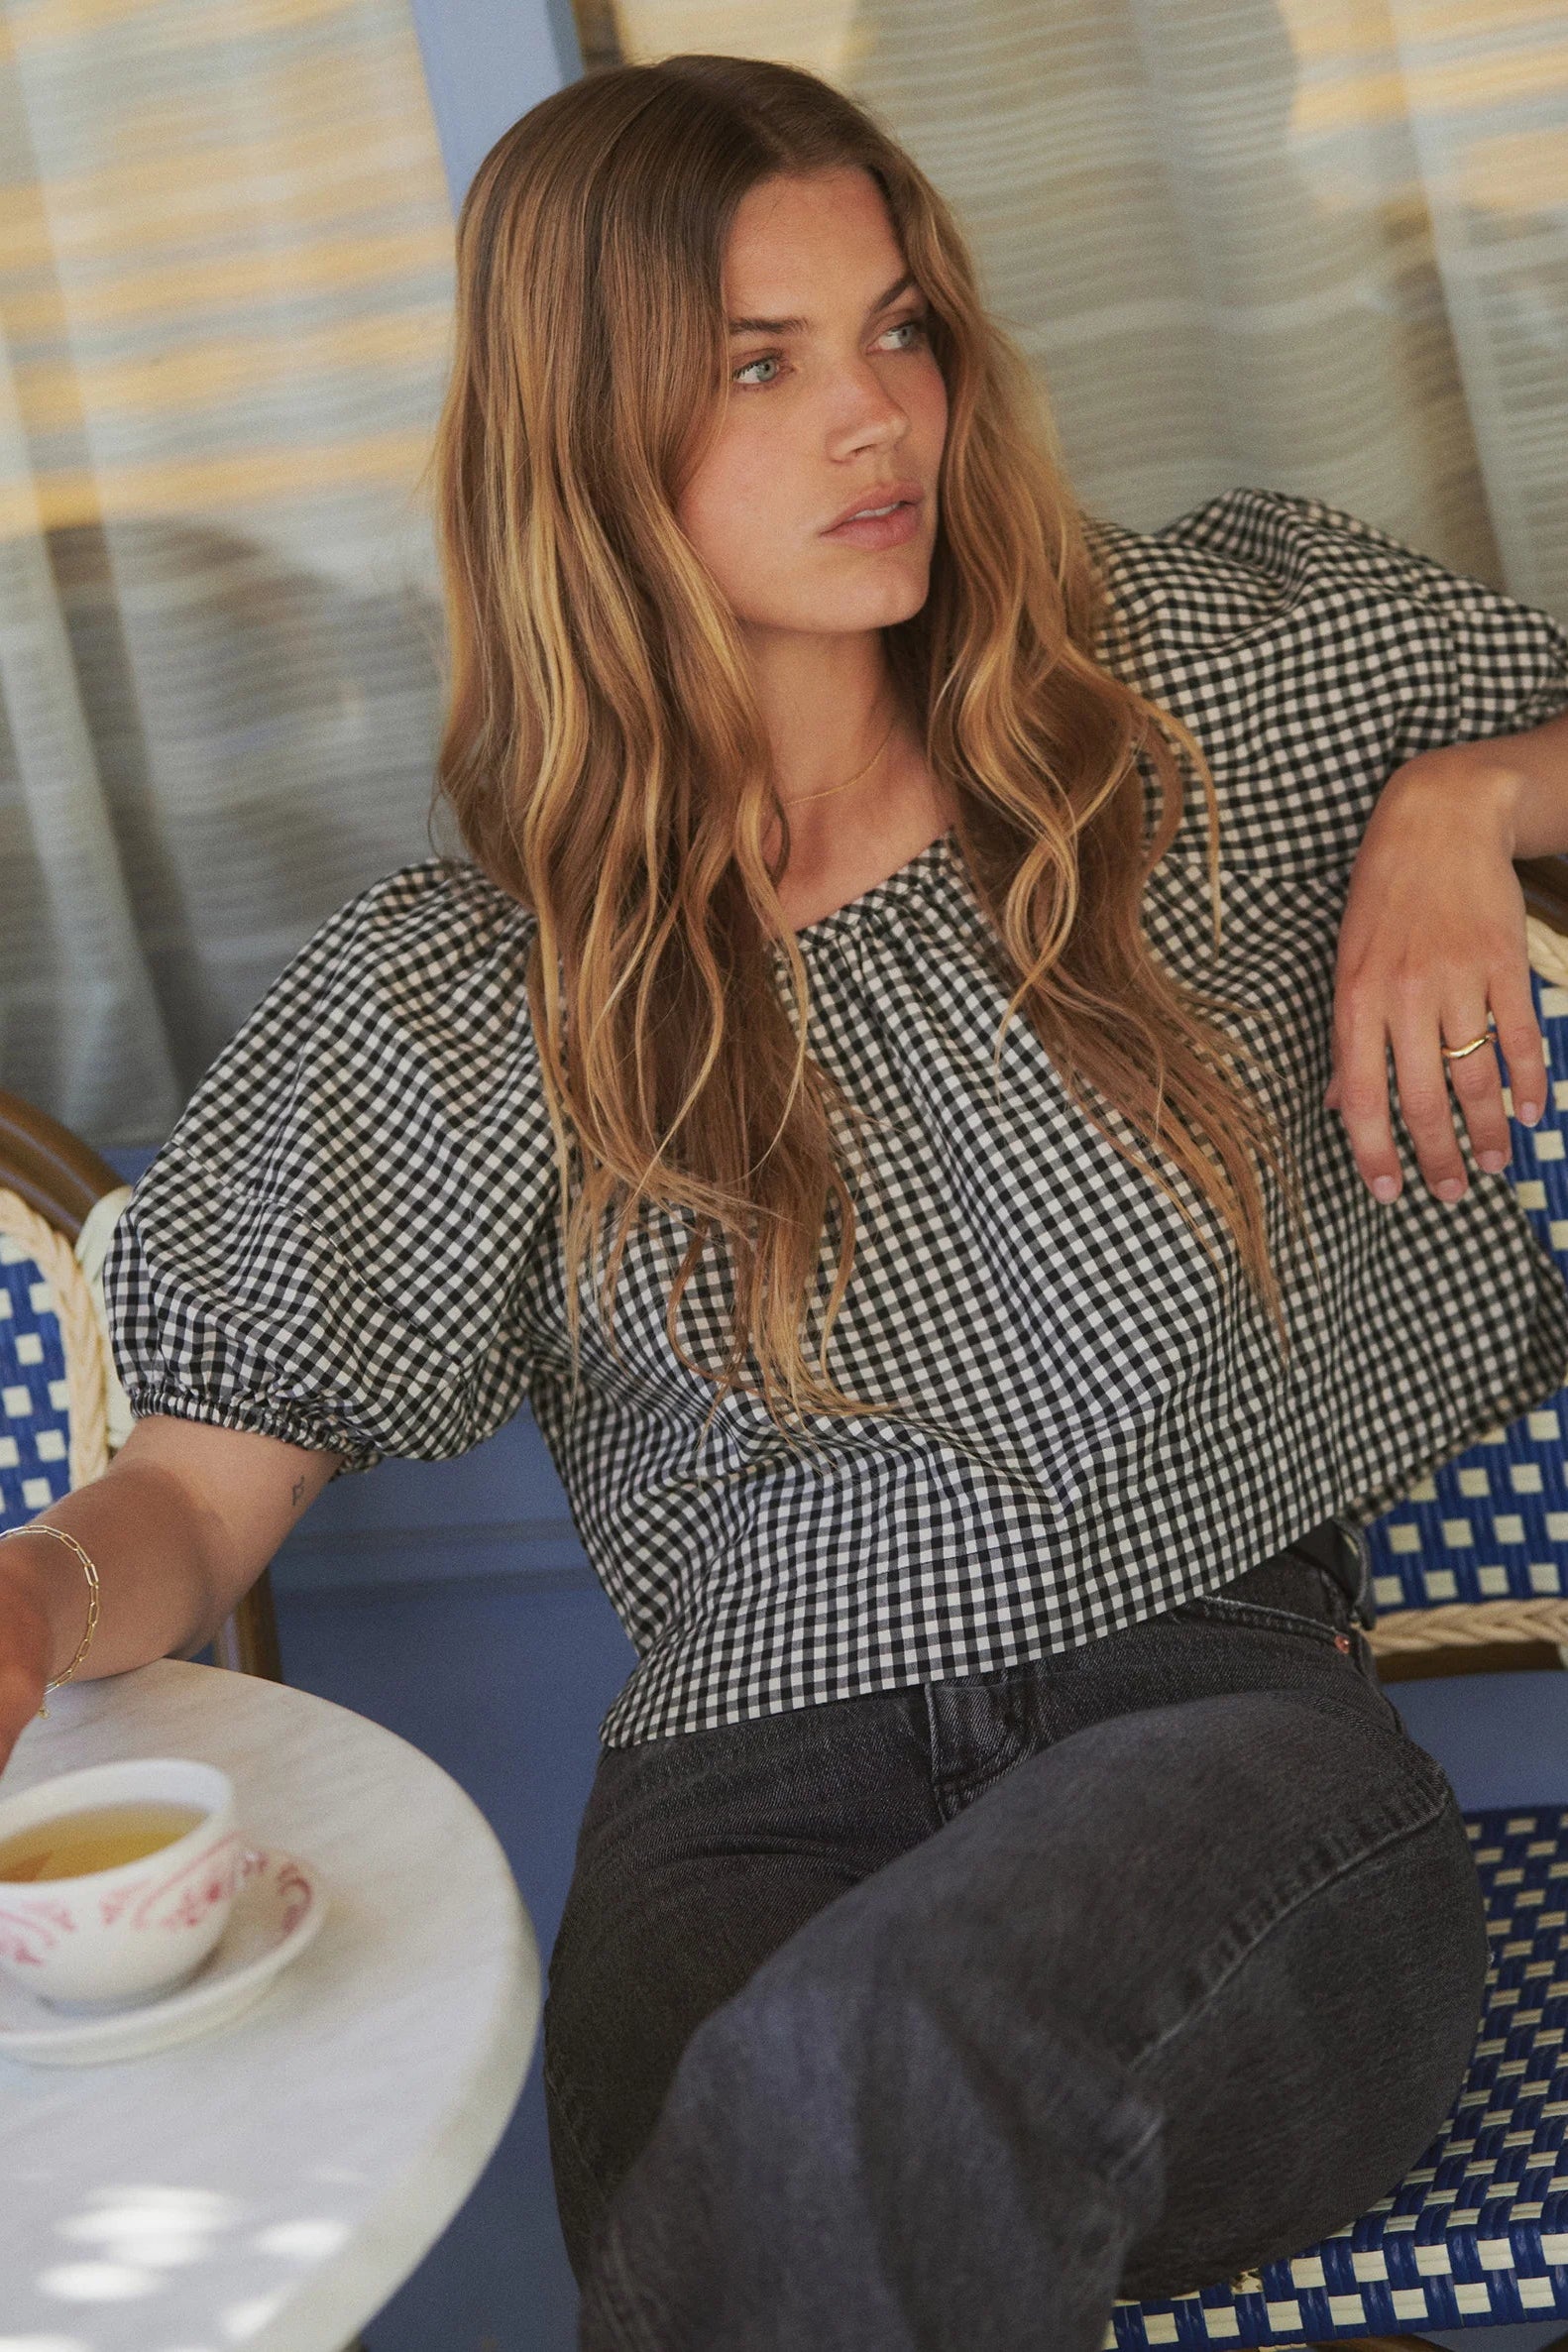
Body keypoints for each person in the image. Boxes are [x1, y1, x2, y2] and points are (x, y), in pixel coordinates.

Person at [4, 49, 1568, 2352]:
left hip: (1215, 1756)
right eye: (760, 361)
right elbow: (202, 1486)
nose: (874, 416)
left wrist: (1468, 798)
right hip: (738, 1800)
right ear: (583, 434)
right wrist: (35, 1590)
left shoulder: (1188, 696)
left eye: (895, 328)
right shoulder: (478, 992)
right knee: (748, 2127)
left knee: (845, 2071)